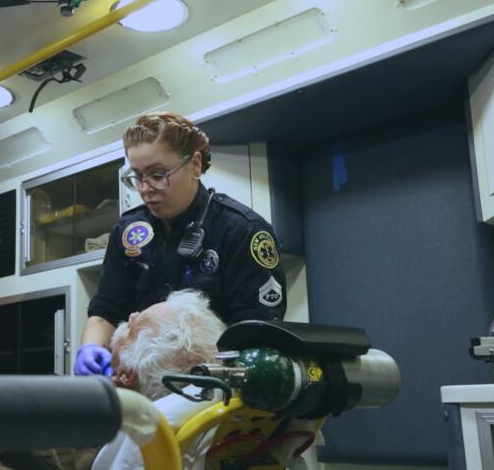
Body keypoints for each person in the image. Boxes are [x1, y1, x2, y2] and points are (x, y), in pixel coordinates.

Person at [74, 112, 287, 377]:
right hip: (143, 380)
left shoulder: (241, 231)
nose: (145, 188)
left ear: (195, 165)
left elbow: (256, 332)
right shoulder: (128, 231)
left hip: (216, 385)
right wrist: (91, 347)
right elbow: (106, 310)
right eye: (137, 176)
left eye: (158, 174)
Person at [93, 290, 316, 470]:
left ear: (126, 375)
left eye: (134, 326)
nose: (131, 315)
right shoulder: (260, 407)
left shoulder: (138, 437)